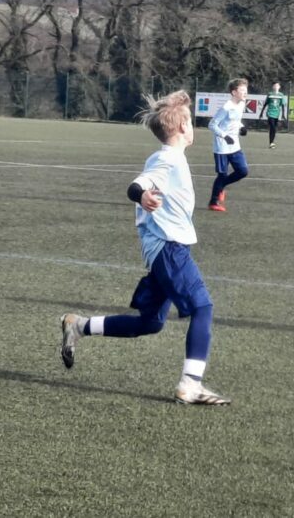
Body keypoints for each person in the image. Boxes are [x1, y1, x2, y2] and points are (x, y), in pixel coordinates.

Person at [59, 89, 230, 406]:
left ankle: (79, 325)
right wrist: (141, 195)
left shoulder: (172, 158)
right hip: (169, 249)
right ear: (181, 127)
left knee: (150, 323)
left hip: (165, 251)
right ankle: (190, 385)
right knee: (203, 308)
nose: (193, 127)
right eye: (190, 121)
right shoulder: (167, 157)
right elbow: (136, 184)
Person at [207, 78, 249, 212]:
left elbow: (236, 121)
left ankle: (220, 187)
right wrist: (225, 136)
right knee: (222, 175)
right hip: (222, 147)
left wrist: (242, 127)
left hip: (235, 145)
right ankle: (213, 202)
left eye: (246, 90)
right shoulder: (226, 107)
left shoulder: (241, 104)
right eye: (242, 90)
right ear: (234, 92)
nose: (245, 93)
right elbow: (212, 125)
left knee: (243, 171)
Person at [262, 81, 287, 149]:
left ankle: (271, 142)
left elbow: (282, 105)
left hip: (277, 114)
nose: (276, 87)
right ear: (273, 87)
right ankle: (271, 143)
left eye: (277, 85)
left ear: (279, 87)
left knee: (274, 129)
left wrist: (283, 115)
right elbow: (265, 104)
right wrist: (261, 113)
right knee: (272, 127)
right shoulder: (270, 94)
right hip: (270, 113)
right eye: (275, 85)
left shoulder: (281, 95)